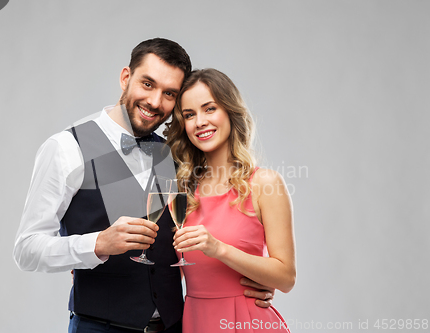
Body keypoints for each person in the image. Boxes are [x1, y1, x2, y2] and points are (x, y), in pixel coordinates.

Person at [14, 39, 275, 333]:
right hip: (99, 327)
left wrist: (244, 287)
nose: (155, 102)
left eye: (169, 94)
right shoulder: (65, 148)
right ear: (126, 78)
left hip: (175, 326)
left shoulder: (173, 156)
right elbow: (26, 249)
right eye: (148, 84)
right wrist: (97, 244)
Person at [166, 68, 296, 332]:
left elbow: (286, 277)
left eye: (209, 108)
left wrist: (219, 249)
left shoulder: (265, 183)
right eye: (189, 115)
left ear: (229, 111)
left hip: (247, 322)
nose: (199, 122)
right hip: (195, 322)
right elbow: (170, 274)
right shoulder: (181, 194)